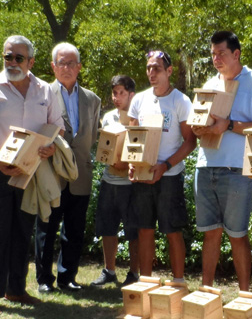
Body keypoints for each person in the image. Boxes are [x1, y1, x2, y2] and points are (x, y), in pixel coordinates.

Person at [0, 35, 63, 316]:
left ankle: (16, 289)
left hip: (30, 172)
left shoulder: (46, 91)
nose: (12, 62)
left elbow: (56, 124)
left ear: (31, 61)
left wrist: (50, 147)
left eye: (19, 58)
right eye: (8, 57)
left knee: (23, 231)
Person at [192, 31, 252, 291]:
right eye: (213, 54)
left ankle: (245, 296)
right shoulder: (209, 83)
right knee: (210, 233)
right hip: (205, 166)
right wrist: (198, 128)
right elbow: (202, 119)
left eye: (221, 53)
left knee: (237, 234)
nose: (216, 59)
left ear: (236, 54)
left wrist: (229, 126)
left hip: (238, 169)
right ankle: (205, 293)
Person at [34, 43, 101, 293]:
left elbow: (91, 136)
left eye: (72, 63)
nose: (67, 67)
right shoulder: (41, 95)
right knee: (47, 228)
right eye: (62, 62)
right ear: (53, 66)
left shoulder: (92, 99)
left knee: (74, 229)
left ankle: (67, 278)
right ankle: (43, 280)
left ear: (79, 67)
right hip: (51, 172)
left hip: (80, 174)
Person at [128, 50, 196, 281]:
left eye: (156, 68)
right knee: (144, 230)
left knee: (172, 231)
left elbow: (190, 141)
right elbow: (133, 138)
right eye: (148, 68)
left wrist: (165, 166)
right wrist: (132, 163)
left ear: (169, 71)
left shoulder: (181, 100)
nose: (151, 73)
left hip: (169, 176)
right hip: (143, 175)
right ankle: (145, 282)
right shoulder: (139, 100)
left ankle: (178, 283)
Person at [91, 74, 140, 287]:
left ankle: (134, 274)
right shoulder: (108, 117)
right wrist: (111, 162)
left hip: (131, 184)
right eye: (114, 93)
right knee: (107, 228)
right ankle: (109, 271)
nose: (117, 97)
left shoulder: (139, 117)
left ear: (132, 95)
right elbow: (104, 148)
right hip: (109, 181)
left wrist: (126, 164)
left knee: (133, 230)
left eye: (122, 93)